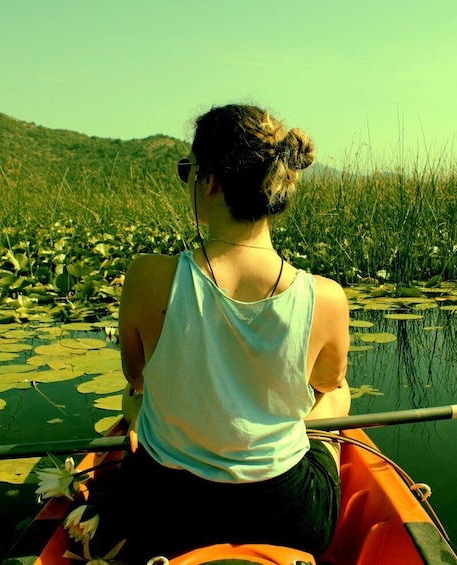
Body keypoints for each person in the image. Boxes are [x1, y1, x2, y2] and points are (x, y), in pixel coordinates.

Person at [116, 103, 350, 562]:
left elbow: (136, 375)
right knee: (337, 391)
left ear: (210, 180)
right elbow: (326, 384)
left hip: (165, 516)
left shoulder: (146, 277)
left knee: (135, 397)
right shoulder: (326, 298)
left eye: (188, 171)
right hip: (289, 519)